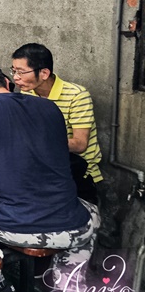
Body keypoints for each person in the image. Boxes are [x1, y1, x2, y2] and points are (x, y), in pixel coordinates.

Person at [0, 64, 99, 292]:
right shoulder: (48, 107)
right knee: (90, 211)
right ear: (8, 83)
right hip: (75, 228)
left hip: (16, 227)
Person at [11, 43, 102, 205]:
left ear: (44, 73)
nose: (16, 78)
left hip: (77, 173)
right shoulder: (27, 92)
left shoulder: (77, 95)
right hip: (43, 168)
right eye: (14, 71)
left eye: (21, 72)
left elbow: (80, 144)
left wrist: (35, 142)